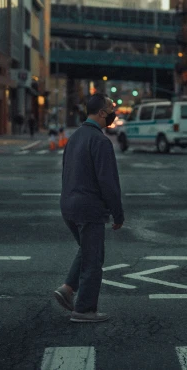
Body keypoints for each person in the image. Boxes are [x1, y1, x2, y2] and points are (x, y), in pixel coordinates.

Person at [54, 93, 124, 323]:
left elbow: (66, 171)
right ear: (102, 113)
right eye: (111, 107)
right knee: (94, 260)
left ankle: (67, 289)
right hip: (89, 208)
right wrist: (118, 213)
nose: (114, 111)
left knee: (87, 249)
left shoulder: (74, 137)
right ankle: (84, 310)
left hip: (69, 206)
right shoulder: (100, 141)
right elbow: (109, 183)